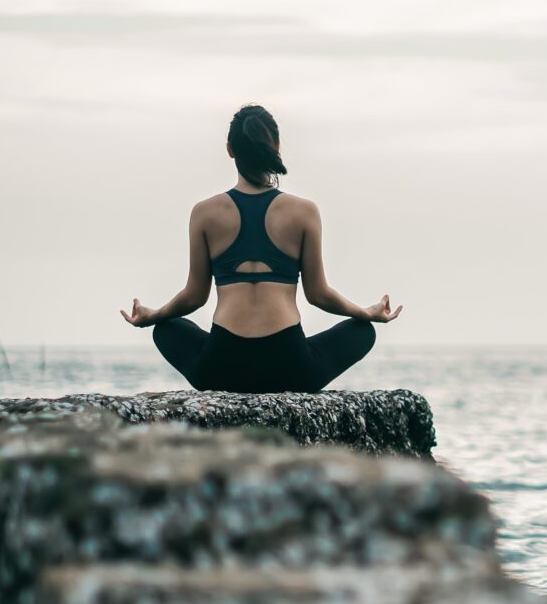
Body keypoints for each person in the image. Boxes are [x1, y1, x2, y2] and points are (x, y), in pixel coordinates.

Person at [120, 104, 402, 392]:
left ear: (230, 149)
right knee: (361, 332)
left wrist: (151, 316)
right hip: (290, 366)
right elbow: (318, 295)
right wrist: (366, 313)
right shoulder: (303, 211)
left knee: (166, 328)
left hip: (221, 367)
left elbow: (194, 297)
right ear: (276, 147)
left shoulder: (204, 213)